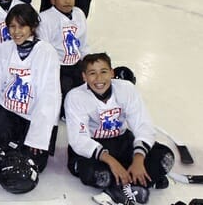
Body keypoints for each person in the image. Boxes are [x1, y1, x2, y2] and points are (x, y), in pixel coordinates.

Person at [65, 53, 174, 205]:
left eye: (103, 71)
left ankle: (121, 188)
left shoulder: (126, 89)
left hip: (122, 141)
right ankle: (140, 183)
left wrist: (138, 159)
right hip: (94, 147)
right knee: (100, 175)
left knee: (165, 158)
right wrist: (111, 162)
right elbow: (79, 140)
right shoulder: (75, 97)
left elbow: (143, 125)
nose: (99, 79)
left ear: (112, 72)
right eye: (92, 73)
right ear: (84, 76)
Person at [0, 3, 60, 173]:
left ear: (33, 26)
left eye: (22, 26)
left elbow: (49, 96)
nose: (16, 31)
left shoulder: (46, 52)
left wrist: (38, 136)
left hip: (33, 116)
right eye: (12, 26)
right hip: (8, 111)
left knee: (33, 164)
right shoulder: (4, 48)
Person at [38, 0, 89, 115]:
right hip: (57, 67)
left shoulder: (79, 13)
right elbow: (43, 49)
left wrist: (88, 64)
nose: (67, 1)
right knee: (64, 90)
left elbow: (83, 43)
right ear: (53, 0)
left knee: (87, 89)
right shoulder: (45, 18)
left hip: (76, 64)